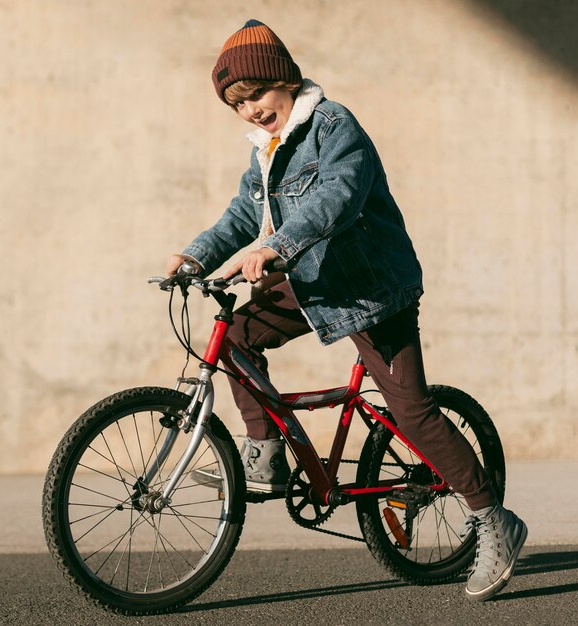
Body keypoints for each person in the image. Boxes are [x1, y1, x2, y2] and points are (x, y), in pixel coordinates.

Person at [166, 19, 527, 601]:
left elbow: (338, 196)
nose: (252, 110)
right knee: (232, 335)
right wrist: (194, 255)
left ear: (284, 80)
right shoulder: (266, 152)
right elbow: (241, 212)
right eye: (237, 104)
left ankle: (492, 518)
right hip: (312, 283)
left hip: (370, 288)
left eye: (257, 94)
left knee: (412, 412)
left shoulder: (334, 125)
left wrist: (274, 248)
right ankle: (265, 454)